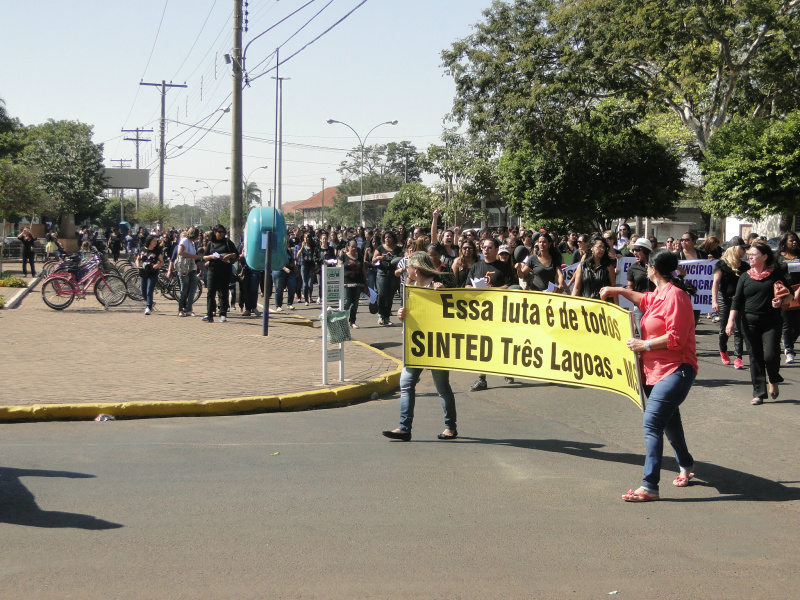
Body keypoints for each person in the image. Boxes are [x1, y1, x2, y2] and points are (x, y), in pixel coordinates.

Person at [599, 249, 698, 502]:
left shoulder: (676, 296)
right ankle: (686, 464)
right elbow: (643, 300)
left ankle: (649, 486)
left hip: (677, 369)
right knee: (669, 422)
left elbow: (676, 339)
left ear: (653, 269)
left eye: (647, 266)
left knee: (652, 423)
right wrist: (618, 291)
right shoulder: (659, 295)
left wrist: (645, 346)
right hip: (652, 372)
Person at [382, 252, 458, 442]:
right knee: (406, 384)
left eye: (408, 266)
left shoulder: (439, 285)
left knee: (442, 387)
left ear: (416, 269)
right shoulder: (410, 289)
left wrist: (442, 295)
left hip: (437, 344)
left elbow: (454, 311)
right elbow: (409, 315)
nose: (406, 269)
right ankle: (404, 427)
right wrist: (401, 314)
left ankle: (450, 426)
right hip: (416, 344)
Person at [727, 241, 797, 405]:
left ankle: (773, 378)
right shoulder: (745, 276)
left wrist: (780, 302)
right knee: (755, 357)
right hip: (749, 323)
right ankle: (759, 393)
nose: (749, 256)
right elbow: (737, 301)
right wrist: (730, 322)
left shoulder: (775, 275)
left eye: (753, 254)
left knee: (771, 355)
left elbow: (789, 296)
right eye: (749, 254)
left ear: (764, 256)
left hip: (771, 322)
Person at [466, 237, 514, 391]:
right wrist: (475, 289)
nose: (485, 250)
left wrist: (490, 290)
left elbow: (510, 286)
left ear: (496, 250)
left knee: (502, 342)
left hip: (500, 311)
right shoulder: (476, 267)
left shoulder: (504, 267)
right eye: (483, 247)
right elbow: (467, 285)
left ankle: (507, 369)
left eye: (489, 247)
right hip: (481, 313)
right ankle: (482, 379)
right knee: (481, 345)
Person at [202, 225, 238, 323]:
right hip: (212, 270)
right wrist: (211, 257)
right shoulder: (211, 243)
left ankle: (223, 314)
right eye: (219, 232)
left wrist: (229, 255)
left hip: (225, 270)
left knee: (223, 292)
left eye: (223, 232)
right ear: (214, 232)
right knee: (210, 292)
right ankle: (209, 314)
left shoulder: (227, 242)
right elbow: (203, 257)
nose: (221, 234)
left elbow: (236, 254)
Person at [775, 231, 800, 364]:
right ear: (784, 242)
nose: (794, 242)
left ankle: (787, 340)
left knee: (797, 325)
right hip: (785, 293)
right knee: (787, 323)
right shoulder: (778, 257)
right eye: (791, 240)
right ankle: (789, 350)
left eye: (796, 240)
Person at [572, 235, 616, 302]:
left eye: (604, 247)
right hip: (586, 305)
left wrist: (617, 307)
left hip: (604, 306)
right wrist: (572, 304)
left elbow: (613, 288)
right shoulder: (582, 266)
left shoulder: (609, 266)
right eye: (599, 246)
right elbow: (577, 288)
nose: (602, 249)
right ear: (592, 247)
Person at [627, 238, 656, 335]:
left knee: (655, 333)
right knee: (642, 334)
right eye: (633, 250)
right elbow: (630, 288)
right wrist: (636, 301)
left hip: (656, 305)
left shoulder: (656, 266)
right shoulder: (633, 268)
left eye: (637, 249)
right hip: (640, 307)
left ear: (646, 250)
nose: (634, 252)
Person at [374, 231, 402, 326]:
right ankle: (380, 315)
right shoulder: (380, 248)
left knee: (390, 296)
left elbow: (402, 260)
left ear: (393, 238)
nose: (387, 239)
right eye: (385, 237)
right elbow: (373, 259)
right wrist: (379, 258)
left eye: (389, 237)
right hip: (382, 273)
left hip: (393, 274)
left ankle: (387, 317)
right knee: (382, 294)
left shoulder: (398, 249)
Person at [339, 239, 366, 328]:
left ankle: (352, 321)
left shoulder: (360, 256)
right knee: (347, 301)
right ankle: (342, 319)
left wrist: (366, 282)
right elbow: (339, 267)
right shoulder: (343, 256)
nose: (354, 249)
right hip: (346, 283)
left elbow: (363, 270)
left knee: (355, 303)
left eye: (355, 247)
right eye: (352, 247)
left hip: (358, 283)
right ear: (348, 247)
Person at [176, 227, 202, 317]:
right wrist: (193, 256)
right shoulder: (184, 241)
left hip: (193, 268)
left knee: (192, 289)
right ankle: (180, 309)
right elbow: (180, 252)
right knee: (184, 289)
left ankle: (189, 309)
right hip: (184, 268)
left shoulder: (192, 243)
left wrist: (200, 267)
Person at [135, 234, 164, 315]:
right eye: (154, 241)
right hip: (143, 272)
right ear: (149, 241)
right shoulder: (142, 249)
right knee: (143, 291)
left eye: (156, 241)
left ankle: (148, 307)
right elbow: (138, 259)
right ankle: (151, 302)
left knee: (149, 290)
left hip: (153, 273)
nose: (155, 243)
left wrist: (157, 265)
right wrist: (137, 265)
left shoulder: (157, 250)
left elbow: (162, 262)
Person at [272, 240, 297, 312]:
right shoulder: (277, 252)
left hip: (290, 272)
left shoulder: (289, 251)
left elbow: (292, 261)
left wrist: (295, 268)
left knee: (292, 287)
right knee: (279, 289)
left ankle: (289, 304)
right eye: (286, 243)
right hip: (279, 271)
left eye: (288, 243)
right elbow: (276, 262)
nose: (287, 245)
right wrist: (284, 268)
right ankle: (278, 305)